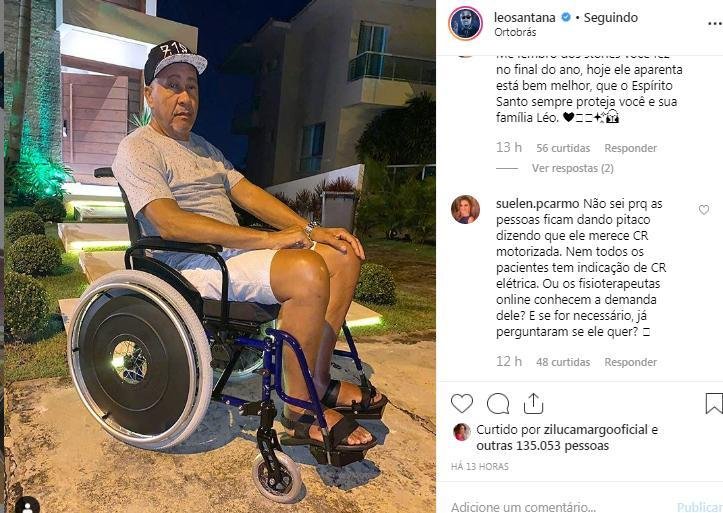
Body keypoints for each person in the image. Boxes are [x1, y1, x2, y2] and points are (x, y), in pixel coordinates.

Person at [112, 41, 386, 454]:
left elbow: (249, 194)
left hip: (229, 255)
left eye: (192, 86)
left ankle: (317, 380)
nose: (185, 97)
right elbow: (169, 222)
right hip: (188, 264)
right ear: (149, 93)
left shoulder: (204, 148)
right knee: (308, 271)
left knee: (342, 255)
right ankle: (299, 409)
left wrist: (313, 230)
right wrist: (270, 239)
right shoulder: (138, 147)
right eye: (172, 85)